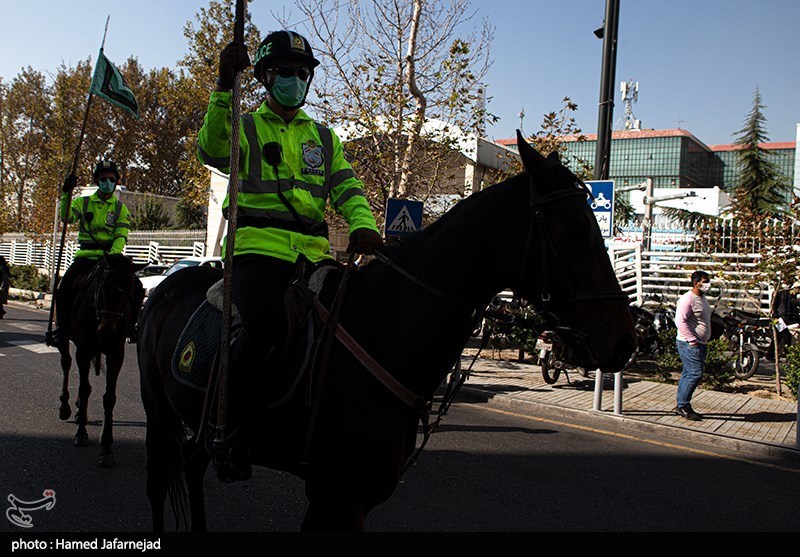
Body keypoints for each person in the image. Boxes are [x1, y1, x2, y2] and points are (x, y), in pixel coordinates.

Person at [197, 30, 383, 482]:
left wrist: (363, 224)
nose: (295, 80)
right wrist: (223, 85)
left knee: (361, 321)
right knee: (262, 329)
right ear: (264, 77)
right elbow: (211, 148)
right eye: (285, 72)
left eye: (302, 73)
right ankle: (230, 430)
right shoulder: (243, 127)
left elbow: (347, 187)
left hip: (314, 254)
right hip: (258, 252)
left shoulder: (323, 136)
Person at [48, 160, 138, 347]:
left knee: (136, 286)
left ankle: (133, 327)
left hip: (110, 258)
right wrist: (66, 192)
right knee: (63, 290)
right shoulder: (83, 202)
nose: (108, 182)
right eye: (104, 179)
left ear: (116, 182)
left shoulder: (121, 208)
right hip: (86, 258)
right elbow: (67, 217)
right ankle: (62, 330)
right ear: (97, 181)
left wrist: (112, 256)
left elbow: (121, 235)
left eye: (111, 179)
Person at [674, 270, 712, 421]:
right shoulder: (687, 299)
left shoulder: (702, 298)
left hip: (699, 343)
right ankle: (683, 405)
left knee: (688, 373)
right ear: (696, 283)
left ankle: (681, 405)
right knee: (695, 373)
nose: (708, 284)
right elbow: (680, 321)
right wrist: (692, 340)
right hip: (689, 344)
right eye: (705, 281)